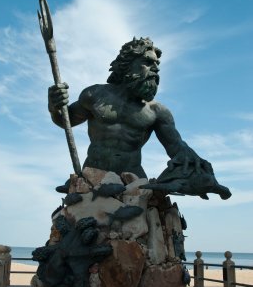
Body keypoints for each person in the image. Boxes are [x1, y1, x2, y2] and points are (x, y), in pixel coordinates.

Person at [48, 37, 230, 199]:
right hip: (92, 176)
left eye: (157, 65)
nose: (156, 69)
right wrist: (55, 106)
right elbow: (66, 122)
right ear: (128, 64)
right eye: (148, 62)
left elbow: (177, 148)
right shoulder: (94, 94)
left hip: (133, 181)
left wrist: (197, 167)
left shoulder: (157, 111)